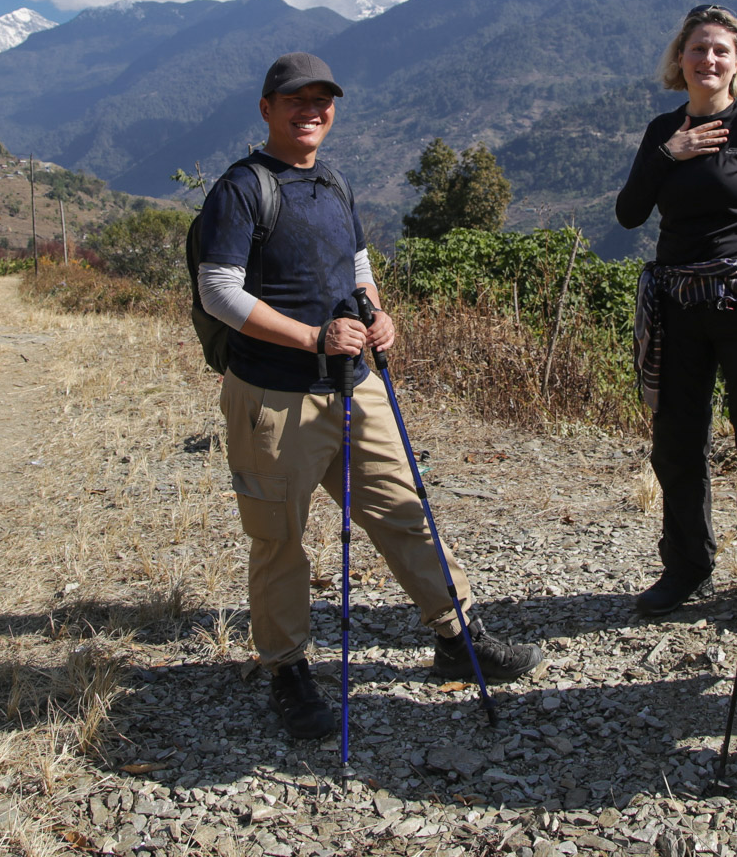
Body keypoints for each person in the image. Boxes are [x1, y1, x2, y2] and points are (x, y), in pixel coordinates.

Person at [194, 52, 542, 741]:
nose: (310, 110)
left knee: (405, 511)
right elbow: (220, 291)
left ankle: (456, 635)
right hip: (273, 396)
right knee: (279, 541)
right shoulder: (241, 190)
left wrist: (379, 315)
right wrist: (312, 338)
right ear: (266, 109)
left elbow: (357, 266)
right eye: (294, 99)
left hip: (356, 385)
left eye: (322, 100)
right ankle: (288, 672)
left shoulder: (333, 183)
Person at [615, 4, 737, 628]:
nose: (709, 60)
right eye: (698, 49)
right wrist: (671, 152)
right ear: (680, 59)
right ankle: (688, 564)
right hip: (676, 308)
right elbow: (629, 213)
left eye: (721, 50)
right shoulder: (662, 132)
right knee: (677, 444)